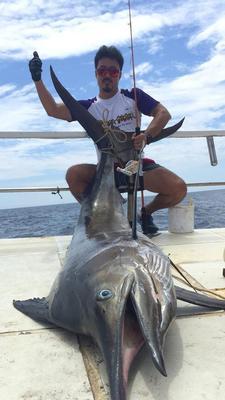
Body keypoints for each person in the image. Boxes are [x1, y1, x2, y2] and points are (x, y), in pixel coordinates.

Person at [29, 46, 187, 234]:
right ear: (96, 74)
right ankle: (105, 213)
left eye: (113, 71)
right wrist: (37, 79)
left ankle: (145, 213)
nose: (107, 75)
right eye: (102, 70)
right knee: (73, 175)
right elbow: (53, 109)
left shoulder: (133, 96)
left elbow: (163, 113)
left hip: (134, 167)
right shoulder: (88, 107)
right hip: (106, 170)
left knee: (178, 189)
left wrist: (147, 136)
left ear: (119, 74)